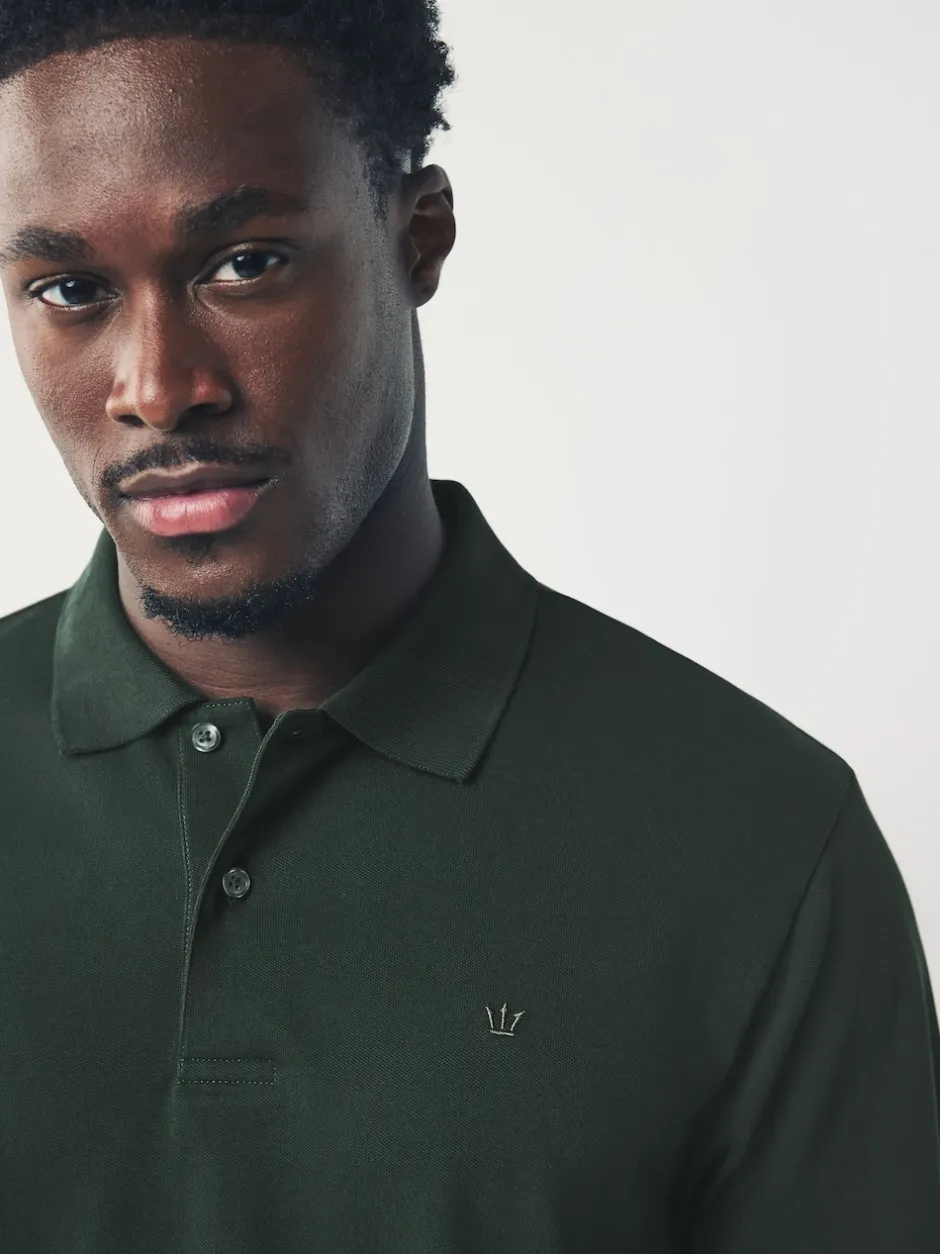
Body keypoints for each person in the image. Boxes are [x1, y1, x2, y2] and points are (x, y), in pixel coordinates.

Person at [0, 3, 936, 1251]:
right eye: (70, 290)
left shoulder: (761, 842)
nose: (159, 388)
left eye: (246, 264)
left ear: (418, 233)